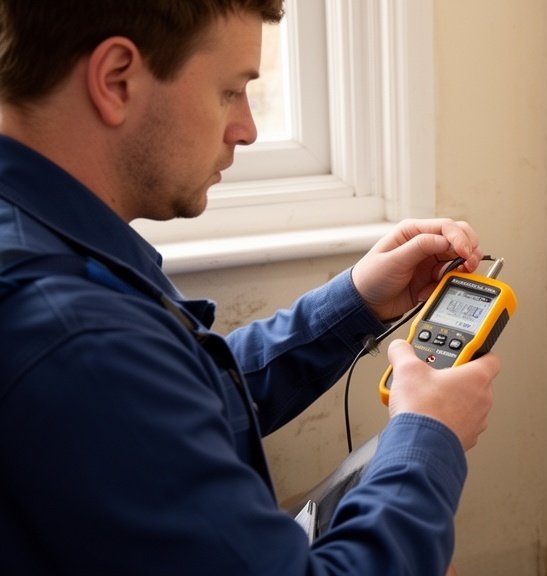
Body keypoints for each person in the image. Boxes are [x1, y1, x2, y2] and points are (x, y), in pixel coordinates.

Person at [0, 1, 500, 574]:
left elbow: (173, 399)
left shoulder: (41, 244)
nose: (248, 129)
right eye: (230, 91)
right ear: (117, 80)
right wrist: (428, 437)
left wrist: (354, 302)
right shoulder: (74, 339)